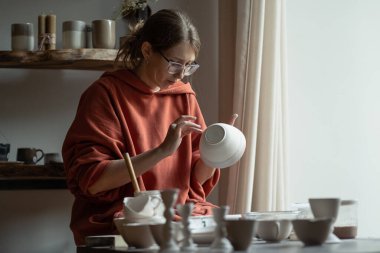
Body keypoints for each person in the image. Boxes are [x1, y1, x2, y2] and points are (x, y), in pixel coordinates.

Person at [62, 9, 236, 245]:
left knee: (234, 231)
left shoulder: (184, 97)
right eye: (174, 64)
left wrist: (216, 153)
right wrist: (163, 151)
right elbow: (93, 181)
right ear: (147, 51)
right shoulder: (105, 94)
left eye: (189, 66)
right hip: (125, 215)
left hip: (179, 213)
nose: (181, 75)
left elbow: (194, 183)